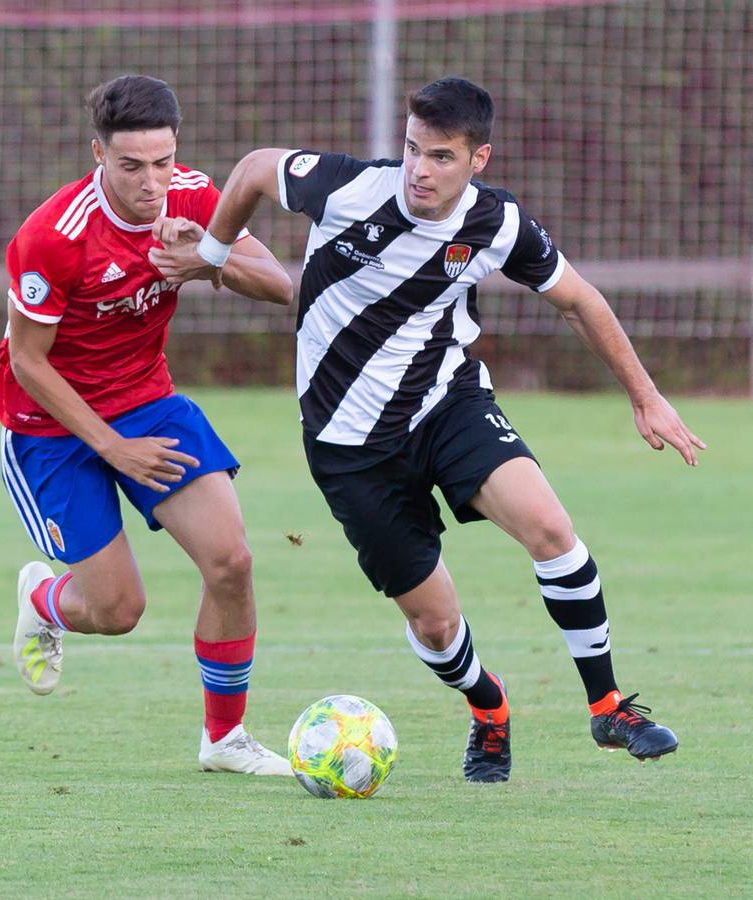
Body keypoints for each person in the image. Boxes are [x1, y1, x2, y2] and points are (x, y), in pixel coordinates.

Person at [152, 77, 703, 782]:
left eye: (441, 156)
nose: (420, 169)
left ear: (478, 160)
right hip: (348, 448)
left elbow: (577, 299)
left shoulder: (496, 223)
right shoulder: (348, 189)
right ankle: (488, 706)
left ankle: (607, 705)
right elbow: (258, 166)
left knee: (550, 528)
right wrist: (218, 255)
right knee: (436, 626)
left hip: (446, 403)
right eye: (412, 149)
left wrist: (645, 397)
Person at [0, 75, 298, 774]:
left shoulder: (193, 196)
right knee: (117, 610)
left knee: (232, 563)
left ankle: (223, 740)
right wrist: (112, 448)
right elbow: (28, 362)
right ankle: (42, 599)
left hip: (147, 399)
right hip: (50, 427)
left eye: (162, 161)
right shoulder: (51, 236)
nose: (151, 182)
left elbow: (281, 286)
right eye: (131, 166)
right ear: (97, 153)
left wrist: (205, 259)